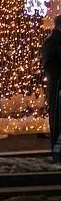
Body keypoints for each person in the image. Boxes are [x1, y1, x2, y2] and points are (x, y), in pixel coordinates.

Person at [41, 14, 61, 158]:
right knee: (57, 119)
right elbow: (49, 67)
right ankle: (57, 152)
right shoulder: (52, 42)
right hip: (58, 87)